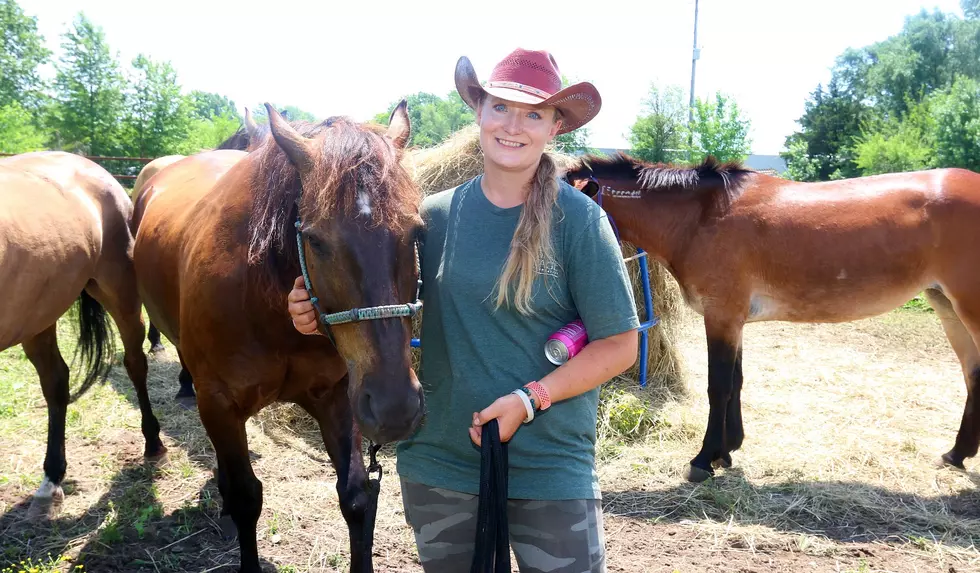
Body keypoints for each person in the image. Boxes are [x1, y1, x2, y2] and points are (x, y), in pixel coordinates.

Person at [287, 48, 639, 573]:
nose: (513, 126)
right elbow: (376, 303)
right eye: (500, 107)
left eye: (534, 114)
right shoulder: (428, 218)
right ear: (478, 111)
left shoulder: (579, 221)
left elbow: (620, 346)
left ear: (554, 128)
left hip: (547, 467)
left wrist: (529, 398)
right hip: (439, 462)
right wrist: (313, 311)